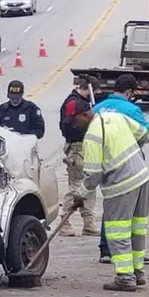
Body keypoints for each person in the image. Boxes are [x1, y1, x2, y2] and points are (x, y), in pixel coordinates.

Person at [70, 99, 149, 291]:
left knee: (118, 231)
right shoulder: (115, 117)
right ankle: (137, 272)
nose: (75, 125)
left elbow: (93, 176)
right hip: (141, 176)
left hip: (121, 185)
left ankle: (125, 277)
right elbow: (146, 133)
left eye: (75, 121)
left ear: (83, 115)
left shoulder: (92, 137)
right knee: (137, 229)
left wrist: (80, 196)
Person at [92, 74, 149, 264]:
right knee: (132, 215)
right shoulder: (131, 109)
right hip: (129, 166)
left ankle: (105, 249)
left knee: (111, 209)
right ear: (129, 92)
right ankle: (133, 256)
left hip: (104, 164)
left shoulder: (97, 108)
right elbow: (147, 134)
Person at [57, 75, 102, 237]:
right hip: (77, 148)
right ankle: (64, 222)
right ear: (89, 90)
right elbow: (68, 126)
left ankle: (88, 222)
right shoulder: (74, 103)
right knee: (76, 186)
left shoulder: (82, 103)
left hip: (86, 147)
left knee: (89, 185)